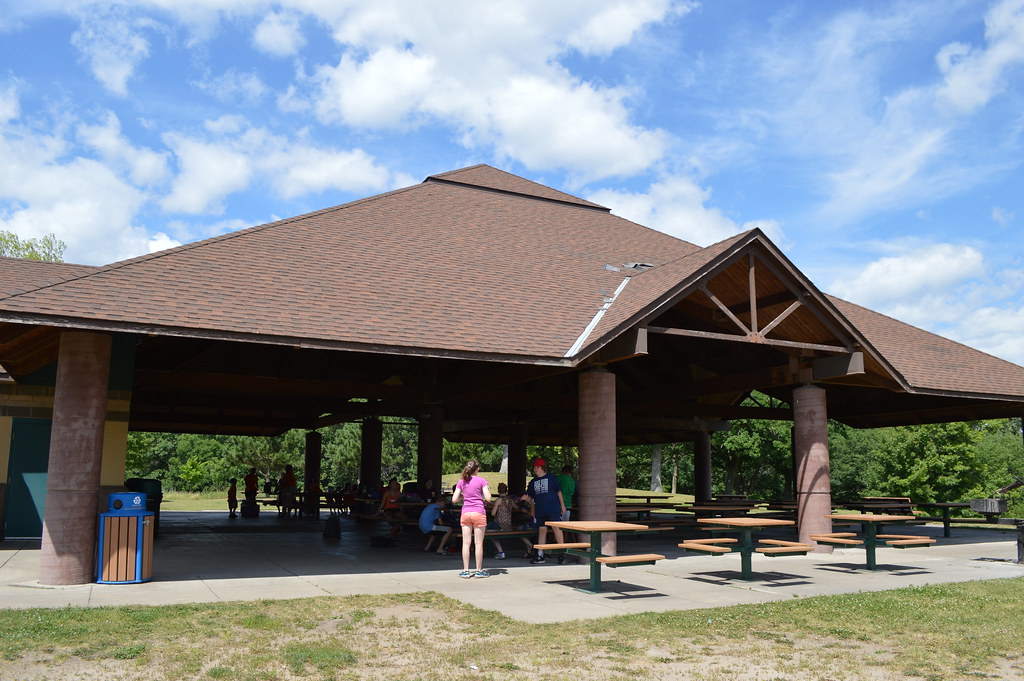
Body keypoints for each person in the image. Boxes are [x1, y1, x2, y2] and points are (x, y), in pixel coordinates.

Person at [452, 459, 491, 578]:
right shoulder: (482, 481)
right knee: (478, 543)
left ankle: (465, 570)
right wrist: (480, 496)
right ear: (477, 469)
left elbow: (454, 500)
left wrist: (463, 497)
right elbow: (488, 498)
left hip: (466, 513)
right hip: (479, 512)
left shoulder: (461, 482)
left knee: (466, 543)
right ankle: (479, 571)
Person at [524, 458, 565, 564]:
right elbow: (531, 499)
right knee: (542, 531)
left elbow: (559, 492)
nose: (535, 469)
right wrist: (526, 499)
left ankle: (562, 552)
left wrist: (563, 506)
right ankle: (540, 555)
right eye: (534, 467)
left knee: (557, 528)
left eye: (537, 467)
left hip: (553, 508)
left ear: (542, 467)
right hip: (540, 510)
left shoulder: (551, 478)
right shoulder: (533, 482)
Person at [488, 483, 533, 559]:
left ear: (498, 491)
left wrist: (493, 505)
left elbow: (492, 513)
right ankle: (531, 547)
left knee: (486, 531)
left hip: (499, 524)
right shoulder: (510, 500)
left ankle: (500, 552)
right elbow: (516, 508)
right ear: (506, 491)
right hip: (508, 524)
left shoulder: (498, 500)